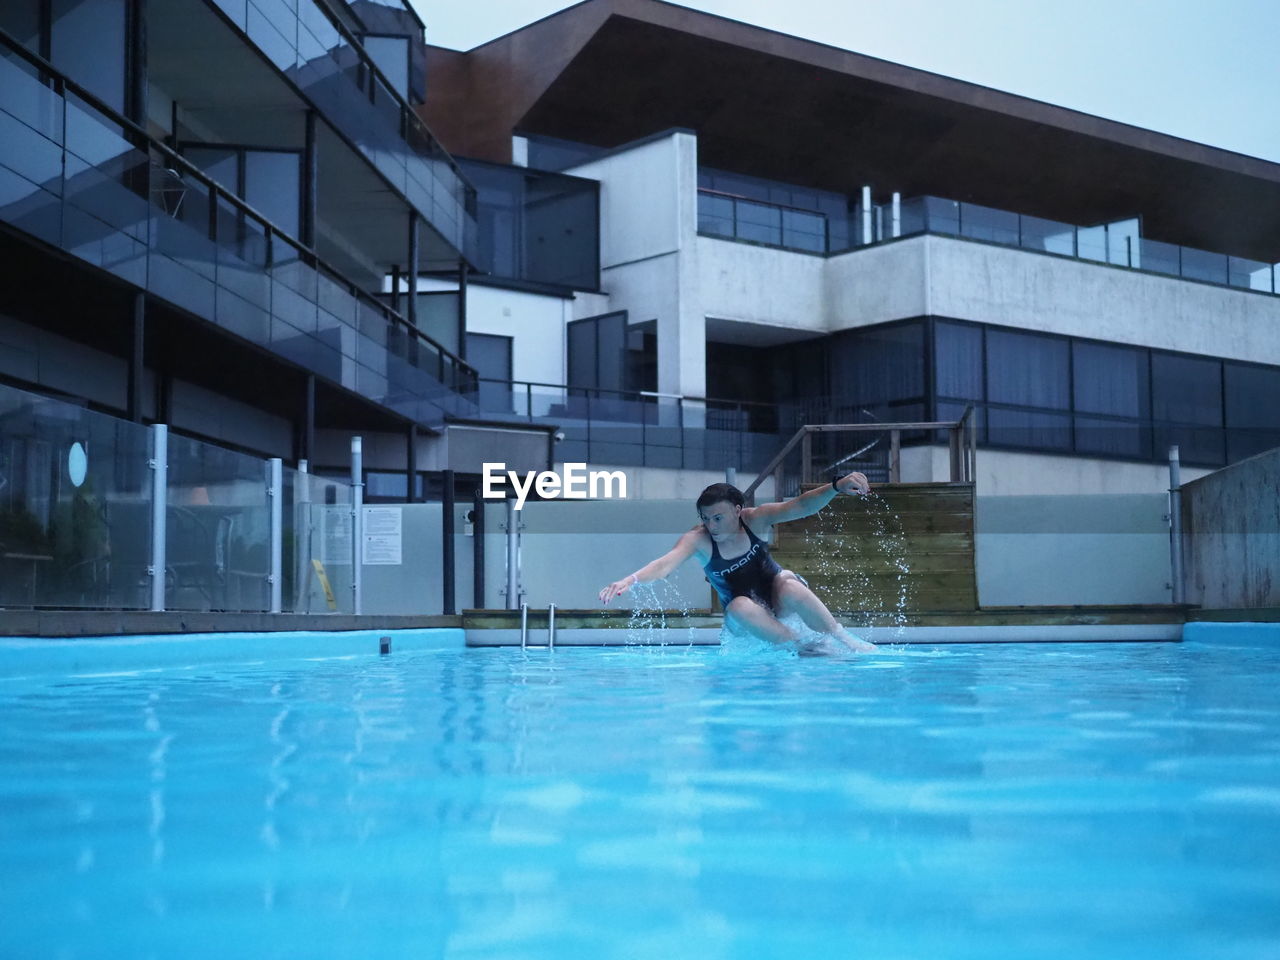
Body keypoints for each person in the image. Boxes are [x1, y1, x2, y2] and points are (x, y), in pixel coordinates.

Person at [599, 473, 877, 653]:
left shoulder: (756, 519)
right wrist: (629, 580)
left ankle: (846, 640)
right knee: (739, 604)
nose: (711, 525)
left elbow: (800, 506)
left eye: (717, 518)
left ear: (737, 510)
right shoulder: (699, 540)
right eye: (705, 518)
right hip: (744, 618)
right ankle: (803, 648)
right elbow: (664, 565)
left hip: (776, 599)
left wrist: (836, 486)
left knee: (787, 581)